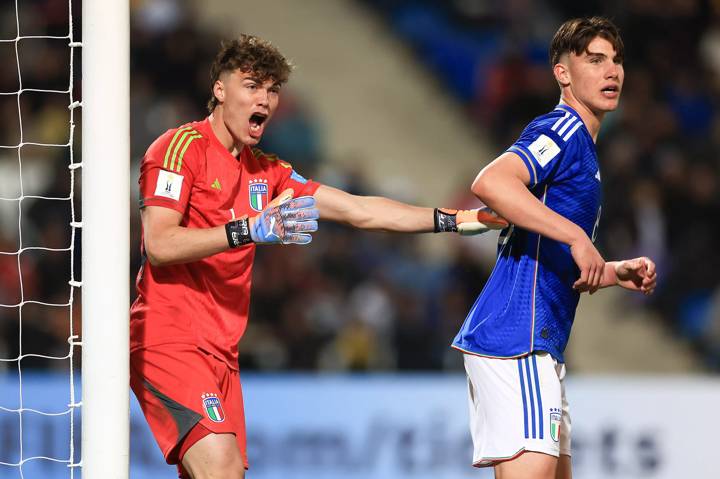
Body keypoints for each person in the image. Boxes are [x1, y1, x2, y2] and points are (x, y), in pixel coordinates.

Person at [130, 34, 507, 479]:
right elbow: (159, 245)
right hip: (168, 338)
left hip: (221, 352)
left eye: (272, 90)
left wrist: (457, 219)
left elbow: (358, 210)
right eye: (252, 85)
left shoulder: (267, 171)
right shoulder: (179, 149)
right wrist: (248, 229)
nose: (264, 100)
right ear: (219, 88)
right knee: (223, 470)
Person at [451, 17, 658, 479]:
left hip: (538, 341)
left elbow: (549, 253)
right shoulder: (562, 129)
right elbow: (491, 182)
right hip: (517, 335)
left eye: (618, 61)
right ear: (562, 73)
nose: (613, 71)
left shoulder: (583, 150)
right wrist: (576, 235)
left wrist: (612, 270)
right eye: (596, 60)